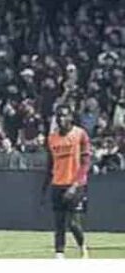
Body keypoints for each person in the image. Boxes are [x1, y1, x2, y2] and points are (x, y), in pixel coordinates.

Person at [42, 106, 92, 259]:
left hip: (75, 184)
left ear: (70, 117)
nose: (60, 119)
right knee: (59, 223)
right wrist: (45, 187)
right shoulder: (51, 138)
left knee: (73, 223)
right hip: (58, 184)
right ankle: (59, 254)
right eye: (58, 117)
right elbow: (50, 164)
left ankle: (82, 247)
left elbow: (86, 162)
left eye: (63, 116)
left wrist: (76, 184)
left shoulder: (80, 134)